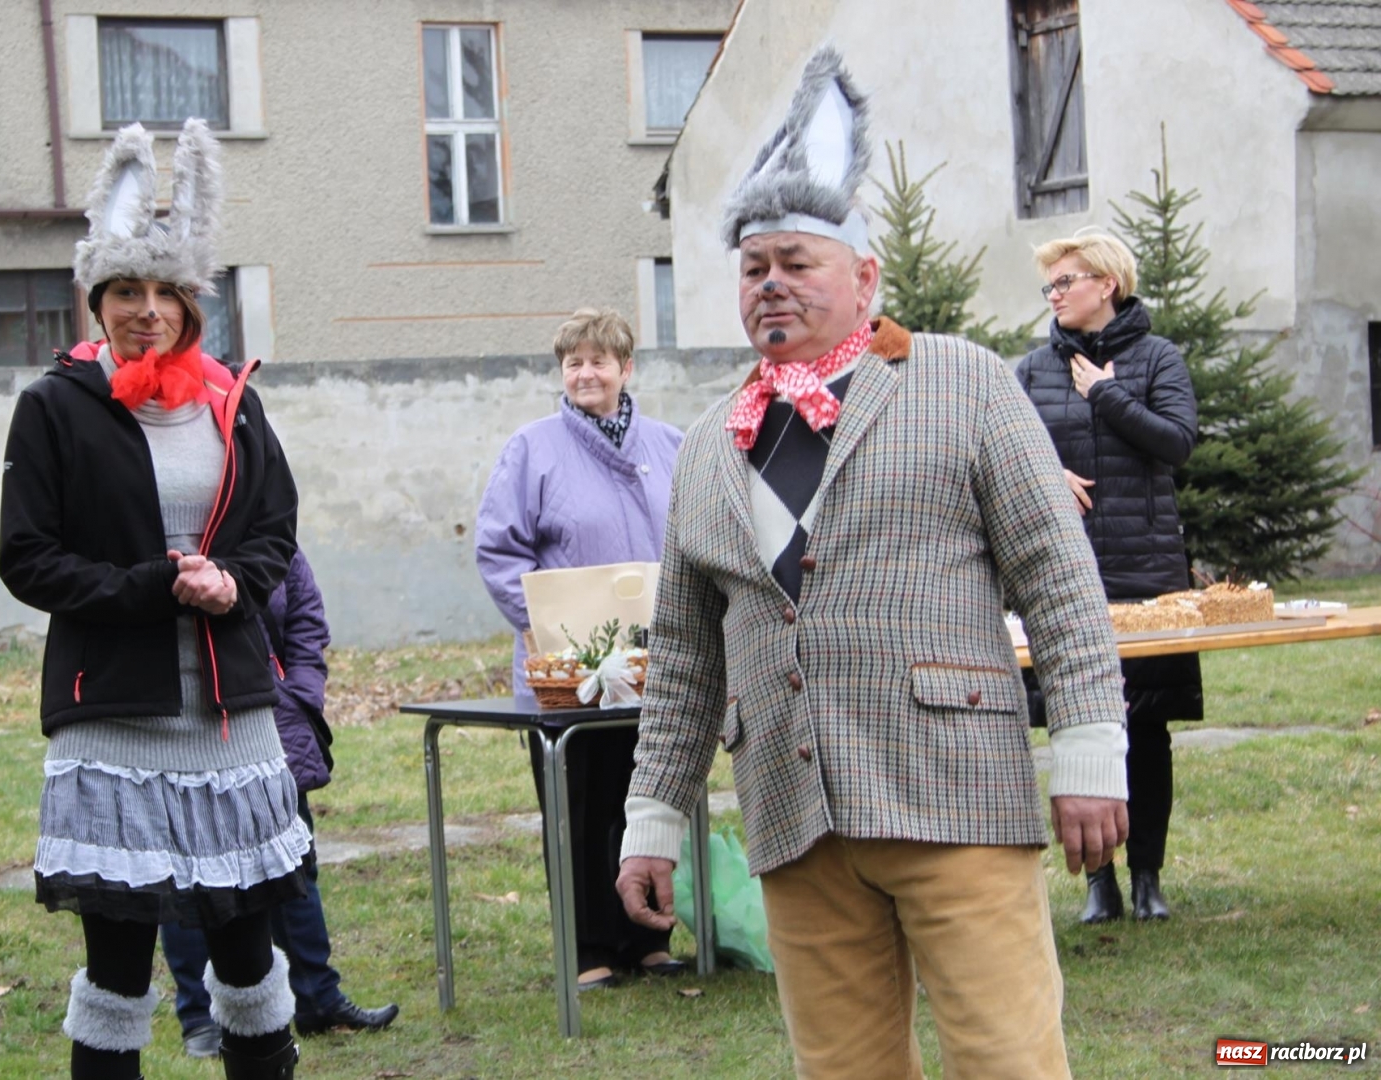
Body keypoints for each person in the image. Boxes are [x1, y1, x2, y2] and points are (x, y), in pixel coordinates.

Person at [613, 47, 1131, 1078]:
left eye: (796, 263)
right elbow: (681, 657)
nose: (771, 287)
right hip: (795, 816)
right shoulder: (710, 443)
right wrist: (652, 820)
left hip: (955, 794)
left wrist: (1087, 753)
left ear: (864, 276)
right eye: (754, 268)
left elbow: (1061, 585)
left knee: (1008, 1061)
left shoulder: (964, 383)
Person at [0, 121, 305, 1080]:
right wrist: (145, 588)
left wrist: (234, 582)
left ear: (190, 302)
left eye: (164, 292)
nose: (146, 311)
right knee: (118, 968)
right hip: (113, 718)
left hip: (226, 720)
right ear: (98, 301)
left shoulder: (231, 401)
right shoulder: (56, 406)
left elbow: (274, 531)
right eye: (125, 291)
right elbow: (27, 558)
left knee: (249, 957)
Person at [474, 307, 686, 991]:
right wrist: (547, 626)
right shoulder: (531, 449)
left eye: (598, 360)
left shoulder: (671, 446)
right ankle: (589, 944)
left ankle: (648, 936)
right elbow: (498, 549)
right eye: (573, 362)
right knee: (579, 809)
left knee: (646, 795)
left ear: (627, 368)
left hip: (655, 666)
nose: (585, 372)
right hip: (567, 670)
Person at [1017, 230, 1201, 923]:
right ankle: (1100, 885)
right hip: (1066, 576)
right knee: (1078, 723)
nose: (1055, 295)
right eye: (1051, 286)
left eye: (1066, 281)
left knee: (1147, 728)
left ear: (1107, 284)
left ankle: (1147, 876)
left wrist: (1107, 395)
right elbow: (1002, 448)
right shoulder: (1033, 370)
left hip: (1147, 573)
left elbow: (1176, 443)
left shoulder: (1158, 359)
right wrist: (1044, 475)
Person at [160, 547, 399, 1057]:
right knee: (189, 874)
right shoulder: (168, 538)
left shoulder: (268, 534)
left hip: (275, 725)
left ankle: (317, 998)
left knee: (294, 865)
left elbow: (308, 620)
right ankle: (201, 1019)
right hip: (187, 729)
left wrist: (300, 693)